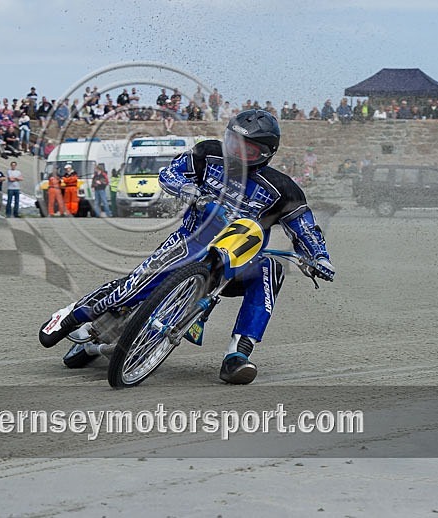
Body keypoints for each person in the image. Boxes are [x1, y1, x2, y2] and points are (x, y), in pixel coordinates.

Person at [39, 110, 334, 384]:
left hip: (236, 263)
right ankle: (75, 314)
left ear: (266, 154)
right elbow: (170, 174)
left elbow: (305, 227)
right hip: (187, 241)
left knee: (271, 268)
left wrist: (319, 257)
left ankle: (238, 355)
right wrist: (187, 188)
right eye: (233, 142)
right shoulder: (207, 153)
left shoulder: (283, 189)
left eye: (248, 149)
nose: (236, 152)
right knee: (134, 287)